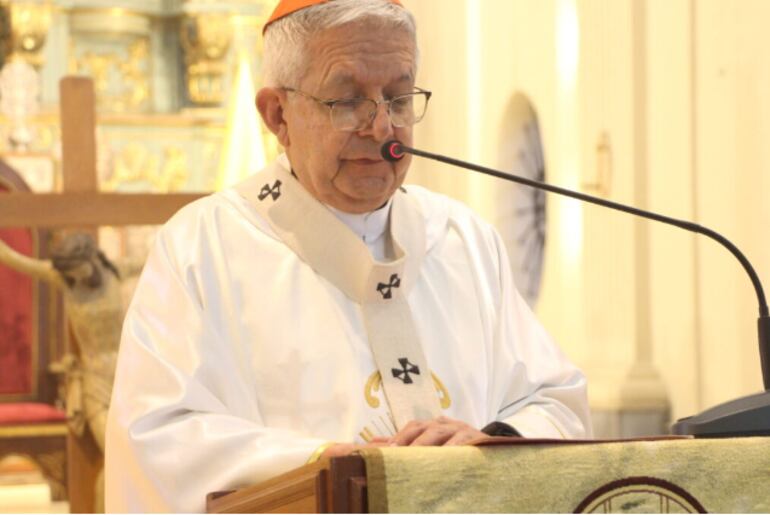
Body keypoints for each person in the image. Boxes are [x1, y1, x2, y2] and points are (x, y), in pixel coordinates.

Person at [105, 0, 592, 511]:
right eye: (347, 101)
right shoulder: (201, 249)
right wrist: (324, 464)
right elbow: (157, 439)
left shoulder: (462, 239)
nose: (382, 127)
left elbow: (554, 402)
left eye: (399, 98)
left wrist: (489, 441)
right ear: (278, 114)